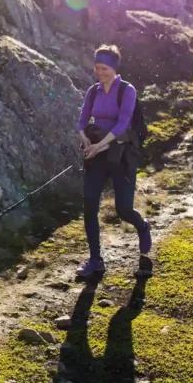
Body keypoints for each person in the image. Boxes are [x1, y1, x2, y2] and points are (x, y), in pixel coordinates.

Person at [74, 45, 151, 278]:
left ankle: (142, 226)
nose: (100, 72)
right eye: (97, 67)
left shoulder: (127, 90)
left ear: (114, 68)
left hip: (121, 154)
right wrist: (86, 140)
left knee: (124, 209)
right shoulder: (92, 91)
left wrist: (101, 145)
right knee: (89, 204)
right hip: (97, 154)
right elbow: (81, 121)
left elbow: (123, 123)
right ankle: (95, 260)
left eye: (104, 68)